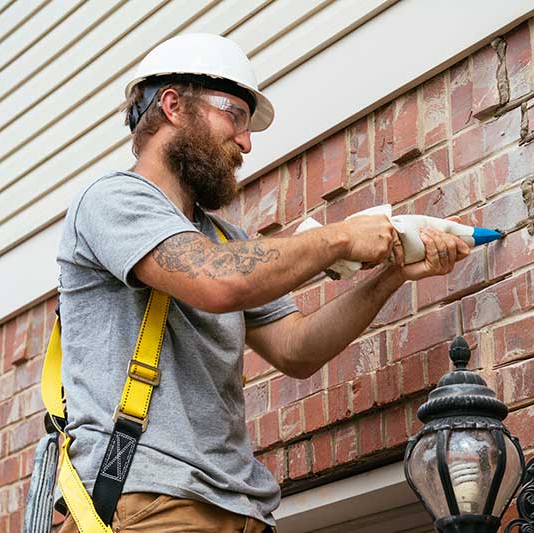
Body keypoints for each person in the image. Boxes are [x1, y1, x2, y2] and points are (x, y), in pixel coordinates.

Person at [55, 33, 470, 533]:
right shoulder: (112, 200)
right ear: (172, 106)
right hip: (150, 502)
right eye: (234, 116)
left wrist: (394, 272)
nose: (246, 143)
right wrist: (341, 239)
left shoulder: (225, 238)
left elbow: (297, 349)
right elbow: (218, 280)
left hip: (242, 510)